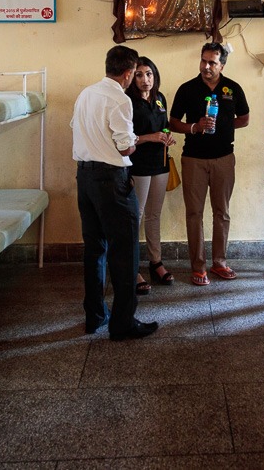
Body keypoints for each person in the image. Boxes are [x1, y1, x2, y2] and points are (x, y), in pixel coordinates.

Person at [71, 45, 158, 341]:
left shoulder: (86, 93)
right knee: (125, 251)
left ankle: (95, 316)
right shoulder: (120, 99)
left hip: (84, 177)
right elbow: (125, 148)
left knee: (95, 249)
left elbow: (78, 129)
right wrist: (134, 141)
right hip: (111, 181)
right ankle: (123, 323)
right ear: (129, 73)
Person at [169, 42, 250, 286]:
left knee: (221, 212)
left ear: (222, 65)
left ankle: (219, 262)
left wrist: (223, 126)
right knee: (194, 213)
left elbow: (244, 119)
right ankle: (198, 266)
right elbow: (173, 122)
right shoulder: (187, 89)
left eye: (212, 62)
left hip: (224, 158)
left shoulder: (232, 88)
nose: (206, 66)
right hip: (193, 159)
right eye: (203, 61)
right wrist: (195, 127)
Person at [125, 56, 176, 293]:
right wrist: (150, 137)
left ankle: (156, 262)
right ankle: (132, 268)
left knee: (154, 215)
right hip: (139, 165)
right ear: (132, 77)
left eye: (149, 74)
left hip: (160, 163)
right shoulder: (127, 102)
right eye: (139, 75)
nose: (145, 79)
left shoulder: (159, 98)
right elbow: (124, 139)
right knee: (136, 216)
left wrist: (166, 136)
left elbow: (164, 125)